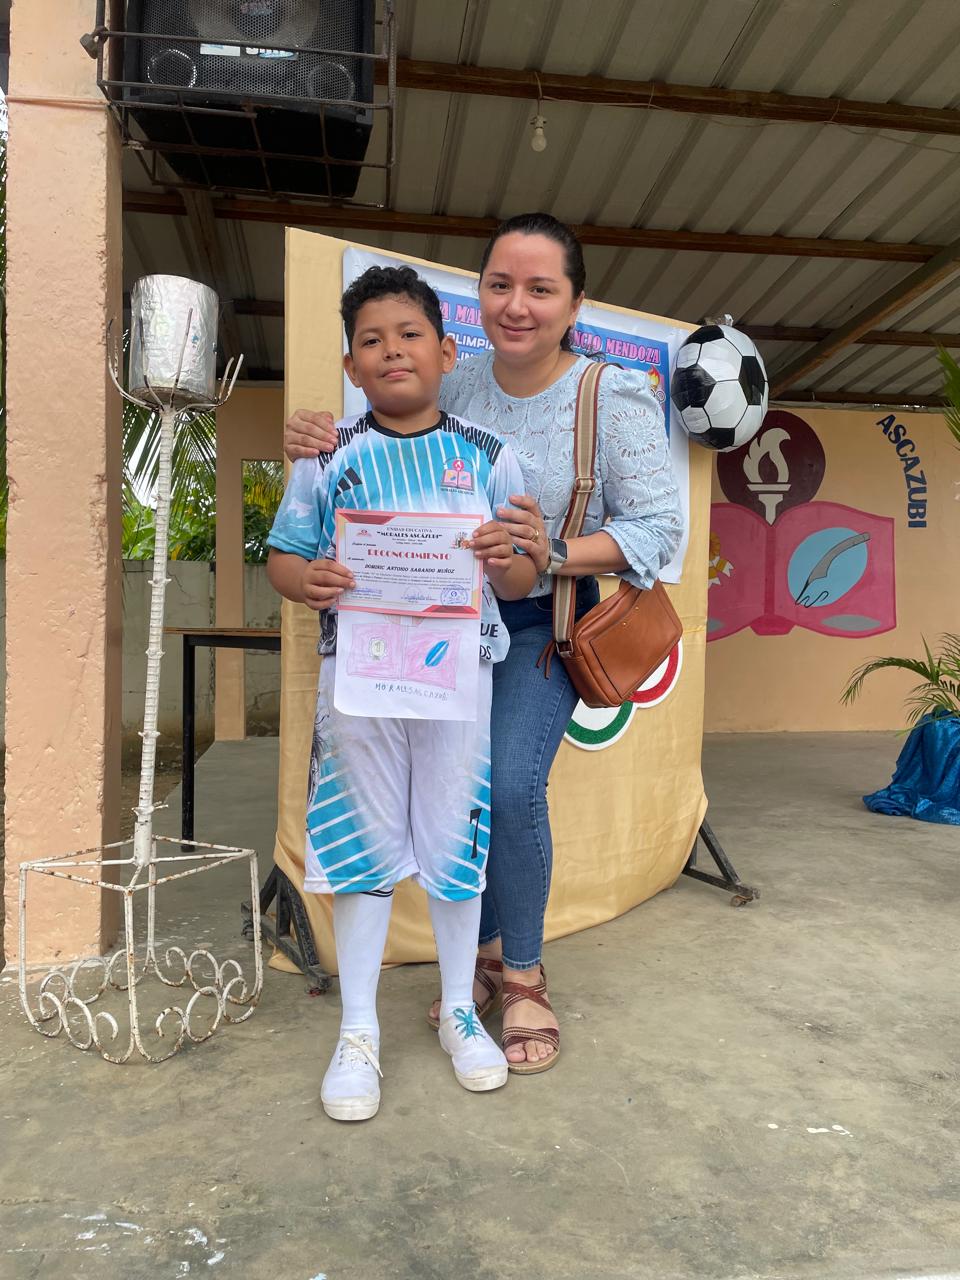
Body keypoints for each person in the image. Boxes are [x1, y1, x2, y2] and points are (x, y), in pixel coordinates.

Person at [283, 213, 683, 1076]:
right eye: (500, 285)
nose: (517, 305)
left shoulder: (609, 395)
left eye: (541, 288)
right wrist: (312, 438)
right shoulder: (453, 383)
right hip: (434, 633)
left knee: (507, 787)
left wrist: (552, 550)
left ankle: (523, 973)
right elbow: (377, 457)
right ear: (476, 300)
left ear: (575, 302)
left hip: (542, 623)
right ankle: (479, 963)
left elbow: (659, 529)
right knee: (456, 797)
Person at [267, 264, 537, 1121]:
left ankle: (459, 1010)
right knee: (363, 846)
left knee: (457, 842)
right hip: (361, 686)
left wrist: (509, 557)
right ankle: (358, 1031)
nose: (392, 351)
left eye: (410, 335)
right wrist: (306, 580)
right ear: (351, 366)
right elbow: (283, 558)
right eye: (372, 341)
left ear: (446, 352)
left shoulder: (491, 456)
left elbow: (521, 579)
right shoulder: (326, 455)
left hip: (457, 686)